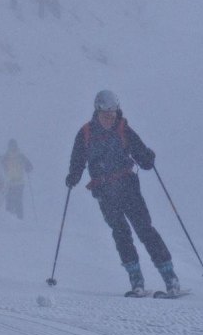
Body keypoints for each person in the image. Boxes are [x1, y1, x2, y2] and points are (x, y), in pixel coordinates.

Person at [65, 90, 180, 296]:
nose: (110, 119)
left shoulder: (123, 129)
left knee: (145, 229)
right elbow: (77, 160)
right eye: (106, 115)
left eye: (113, 114)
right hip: (104, 192)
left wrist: (147, 158)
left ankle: (170, 277)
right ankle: (136, 280)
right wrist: (73, 176)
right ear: (97, 112)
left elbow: (141, 155)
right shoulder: (86, 133)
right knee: (121, 233)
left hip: (128, 187)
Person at [2, 139, 32, 220]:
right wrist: (28, 167)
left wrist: (27, 167)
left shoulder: (11, 156)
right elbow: (30, 167)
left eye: (13, 146)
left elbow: (29, 166)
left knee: (13, 201)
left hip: (16, 183)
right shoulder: (9, 156)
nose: (12, 147)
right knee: (13, 201)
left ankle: (15, 219)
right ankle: (16, 219)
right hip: (13, 183)